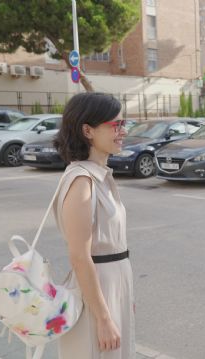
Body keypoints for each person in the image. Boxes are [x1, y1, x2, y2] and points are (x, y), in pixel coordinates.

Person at [53, 92, 135, 358]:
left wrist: (123, 295)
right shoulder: (82, 182)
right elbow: (79, 256)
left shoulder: (99, 177)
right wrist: (103, 318)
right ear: (87, 130)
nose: (122, 131)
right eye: (115, 125)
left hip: (113, 286)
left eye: (124, 124)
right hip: (97, 292)